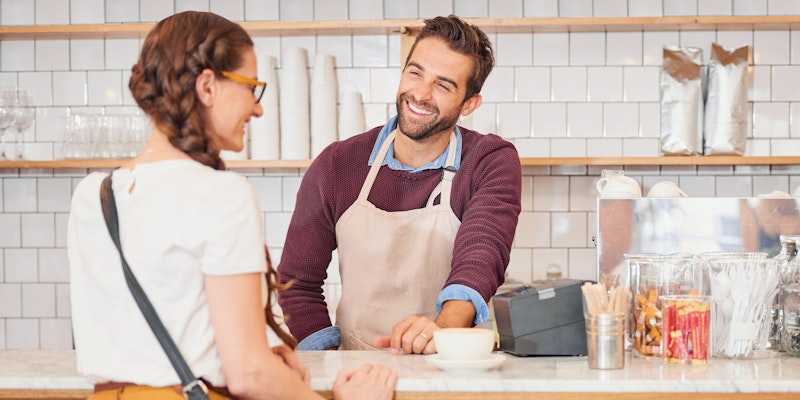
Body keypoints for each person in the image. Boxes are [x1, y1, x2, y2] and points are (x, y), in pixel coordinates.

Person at [68, 11, 395, 400]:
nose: (256, 109)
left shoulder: (93, 194)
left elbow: (152, 333)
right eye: (250, 87)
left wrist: (258, 357)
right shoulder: (222, 194)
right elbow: (249, 376)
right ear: (207, 86)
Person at [278, 15, 522, 353]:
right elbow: (296, 283)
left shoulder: (489, 159)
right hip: (356, 374)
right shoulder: (337, 164)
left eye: (443, 85)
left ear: (469, 103)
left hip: (450, 368)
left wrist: (442, 330)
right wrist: (330, 361)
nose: (420, 94)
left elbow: (483, 252)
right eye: (416, 72)